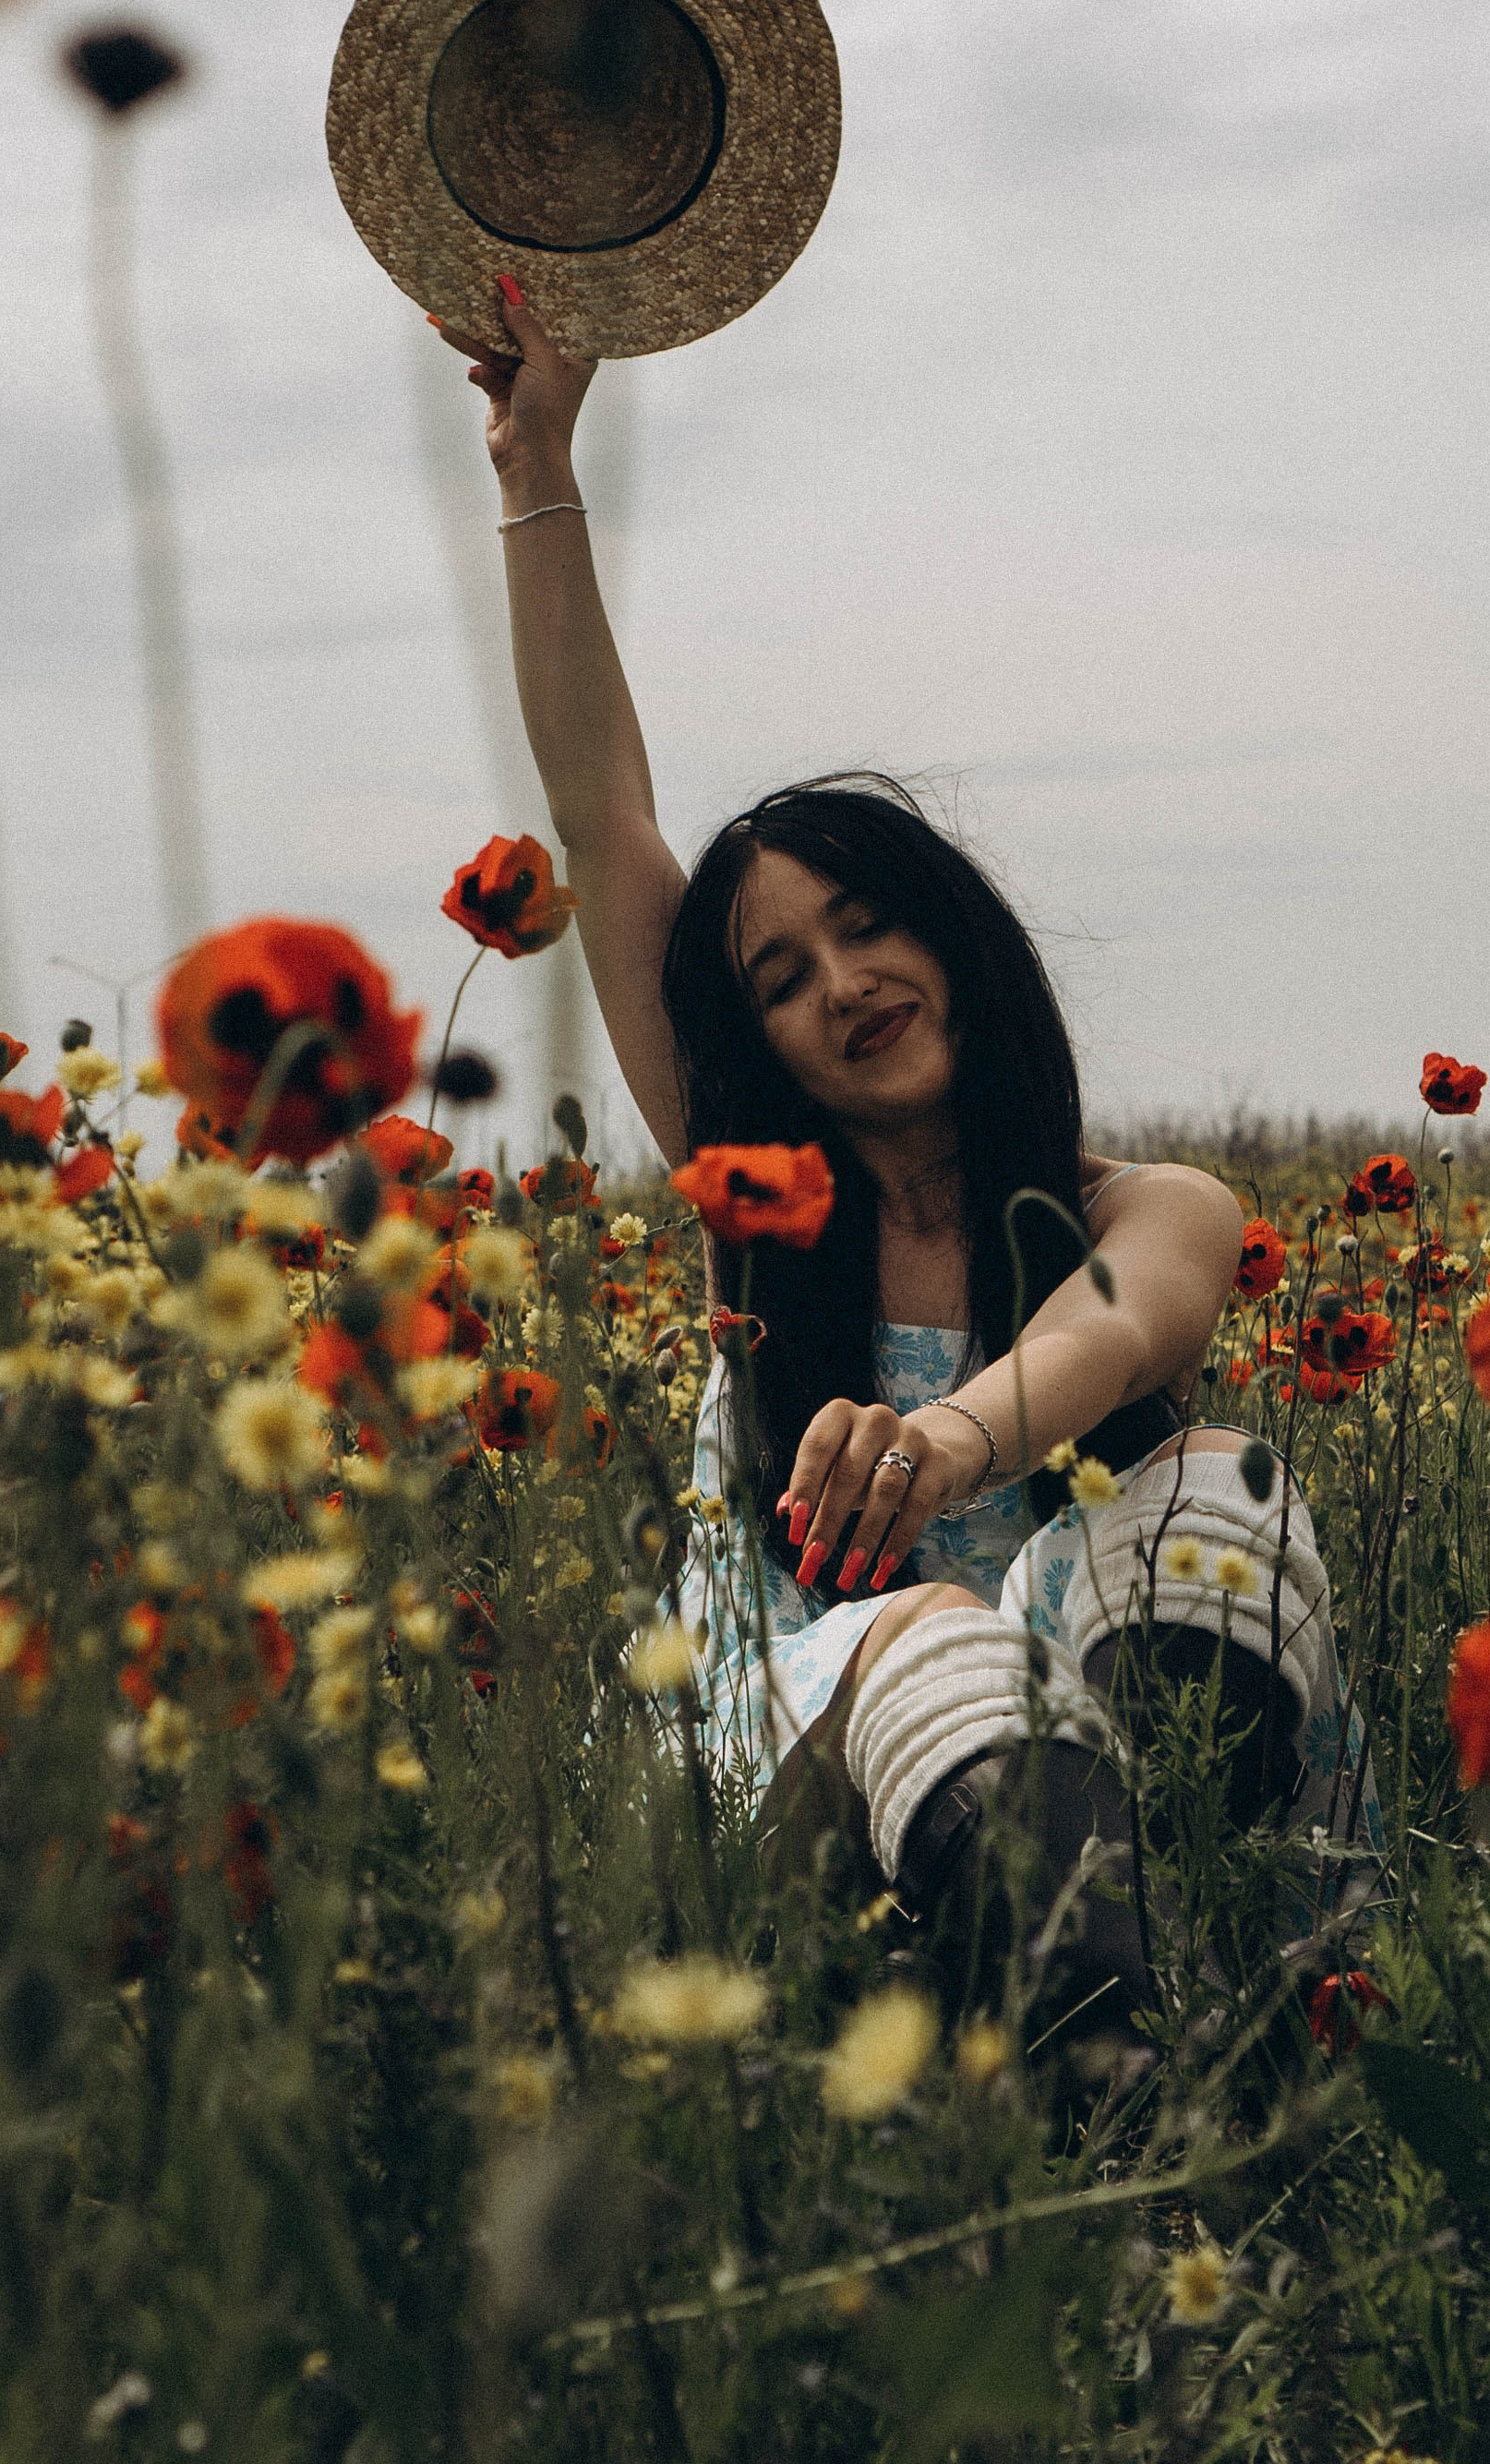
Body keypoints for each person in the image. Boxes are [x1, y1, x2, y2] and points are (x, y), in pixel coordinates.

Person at [446, 273, 1374, 2044]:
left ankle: (1227, 1975)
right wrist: (533, 462)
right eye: (780, 979)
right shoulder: (758, 1213)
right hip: (805, 1744)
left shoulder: (1151, 1213)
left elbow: (1108, 1340)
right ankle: (1093, 2075)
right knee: (934, 1643)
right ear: (755, 1047)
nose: (842, 986)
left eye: (870, 928)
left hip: (1089, 1692)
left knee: (1216, 1495)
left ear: (956, 938)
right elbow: (602, 812)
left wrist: (945, 1442)